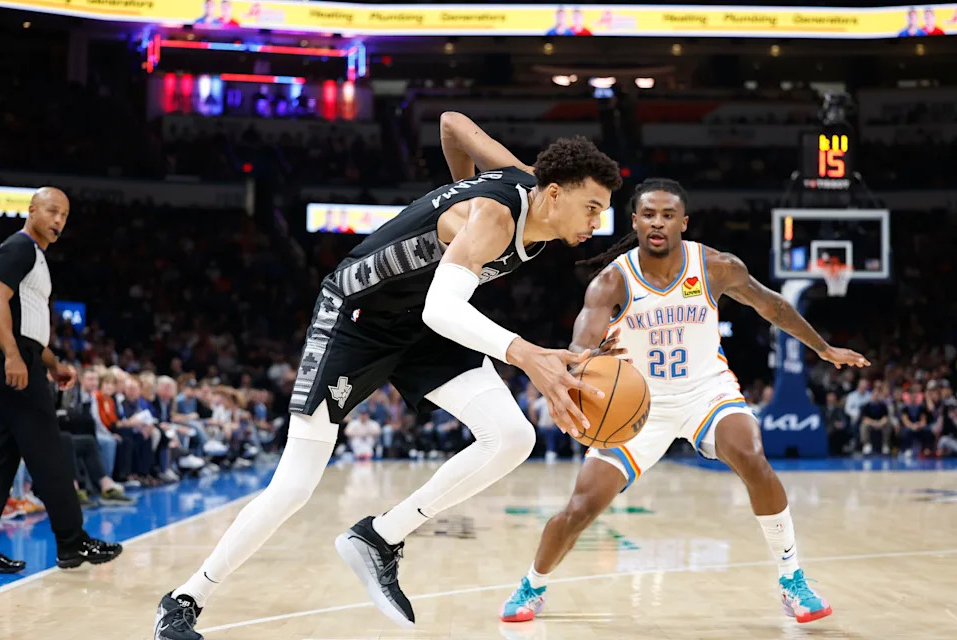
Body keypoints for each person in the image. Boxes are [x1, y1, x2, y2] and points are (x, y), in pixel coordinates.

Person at [154, 113, 622, 638]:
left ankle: (380, 537)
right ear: (554, 193)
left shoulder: (523, 178)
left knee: (512, 436)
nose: (595, 222)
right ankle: (185, 598)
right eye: (592, 208)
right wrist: (529, 355)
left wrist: (457, 185)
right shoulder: (494, 217)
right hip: (356, 317)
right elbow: (443, 311)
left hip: (419, 321)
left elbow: (450, 124)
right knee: (294, 485)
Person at [499, 178, 868, 625]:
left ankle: (793, 579)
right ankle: (532, 584)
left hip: (705, 392)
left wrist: (823, 349)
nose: (658, 223)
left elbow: (773, 307)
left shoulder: (715, 266)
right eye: (649, 214)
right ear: (634, 221)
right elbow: (579, 346)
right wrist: (586, 364)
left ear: (683, 222)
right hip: (637, 406)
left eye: (668, 215)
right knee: (581, 507)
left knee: (752, 456)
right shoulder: (611, 281)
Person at [0, 187, 122, 573]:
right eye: (52, 211)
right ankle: (72, 542)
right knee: (48, 451)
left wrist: (51, 362)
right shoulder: (18, 248)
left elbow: (28, 323)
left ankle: (71, 542)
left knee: (2, 458)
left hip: (27, 357)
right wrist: (14, 356)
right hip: (13, 361)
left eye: (65, 216)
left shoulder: (36, 257)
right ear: (31, 210)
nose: (58, 221)